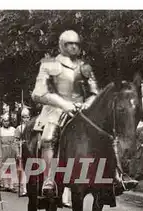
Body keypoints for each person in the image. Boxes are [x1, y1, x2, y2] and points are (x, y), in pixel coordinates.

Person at [30, 30, 99, 198]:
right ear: (62, 45)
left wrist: (86, 105)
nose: (74, 47)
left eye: (76, 43)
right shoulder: (49, 64)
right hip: (55, 109)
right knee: (48, 137)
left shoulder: (85, 67)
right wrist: (63, 104)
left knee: (105, 133)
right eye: (70, 44)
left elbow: (95, 93)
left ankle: (115, 177)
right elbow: (38, 93)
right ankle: (49, 178)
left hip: (81, 110)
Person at [0, 113, 17, 193]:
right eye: (4, 121)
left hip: (12, 149)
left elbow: (16, 140)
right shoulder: (0, 130)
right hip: (4, 149)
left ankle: (12, 185)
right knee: (4, 167)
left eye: (7, 121)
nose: (6, 123)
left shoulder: (13, 129)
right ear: (2, 122)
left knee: (12, 167)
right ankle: (5, 184)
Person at [14, 107, 31, 197]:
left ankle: (30, 188)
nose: (26, 119)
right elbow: (16, 141)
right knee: (23, 170)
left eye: (27, 117)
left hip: (31, 150)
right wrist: (18, 152)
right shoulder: (19, 128)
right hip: (23, 149)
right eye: (24, 117)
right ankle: (24, 189)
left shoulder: (32, 127)